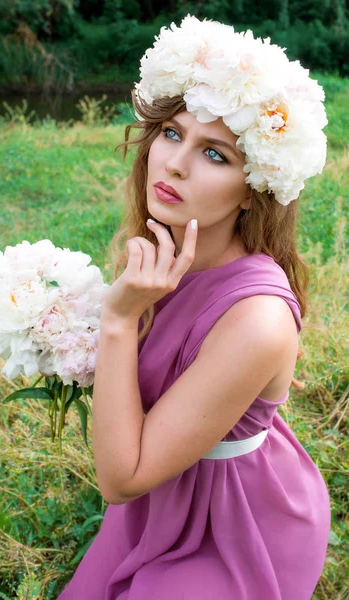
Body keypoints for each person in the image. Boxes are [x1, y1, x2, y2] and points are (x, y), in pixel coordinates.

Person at [57, 15, 331, 600]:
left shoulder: (257, 319)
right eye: (173, 133)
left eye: (215, 154)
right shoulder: (166, 252)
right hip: (164, 494)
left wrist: (118, 319)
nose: (175, 163)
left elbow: (121, 478)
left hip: (240, 520)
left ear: (254, 188)